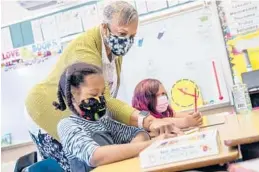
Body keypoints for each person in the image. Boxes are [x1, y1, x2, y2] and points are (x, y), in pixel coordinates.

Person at [24, 1, 179, 170]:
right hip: (47, 109)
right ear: (105, 28)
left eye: (132, 36)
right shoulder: (83, 51)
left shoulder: (114, 49)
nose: (127, 41)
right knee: (79, 160)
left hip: (86, 117)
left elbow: (129, 129)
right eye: (122, 33)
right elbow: (95, 156)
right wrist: (147, 127)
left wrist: (145, 135)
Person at [55, 63, 176, 171]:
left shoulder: (103, 121)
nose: (100, 99)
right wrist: (151, 144)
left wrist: (130, 149)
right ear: (71, 97)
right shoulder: (67, 125)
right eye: (93, 94)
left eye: (102, 94)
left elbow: (139, 133)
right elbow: (95, 156)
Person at [132, 79, 203, 130]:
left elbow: (173, 115)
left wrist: (191, 116)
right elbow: (163, 122)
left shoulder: (162, 111)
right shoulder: (141, 114)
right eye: (156, 95)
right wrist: (186, 122)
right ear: (144, 99)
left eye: (163, 94)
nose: (162, 98)